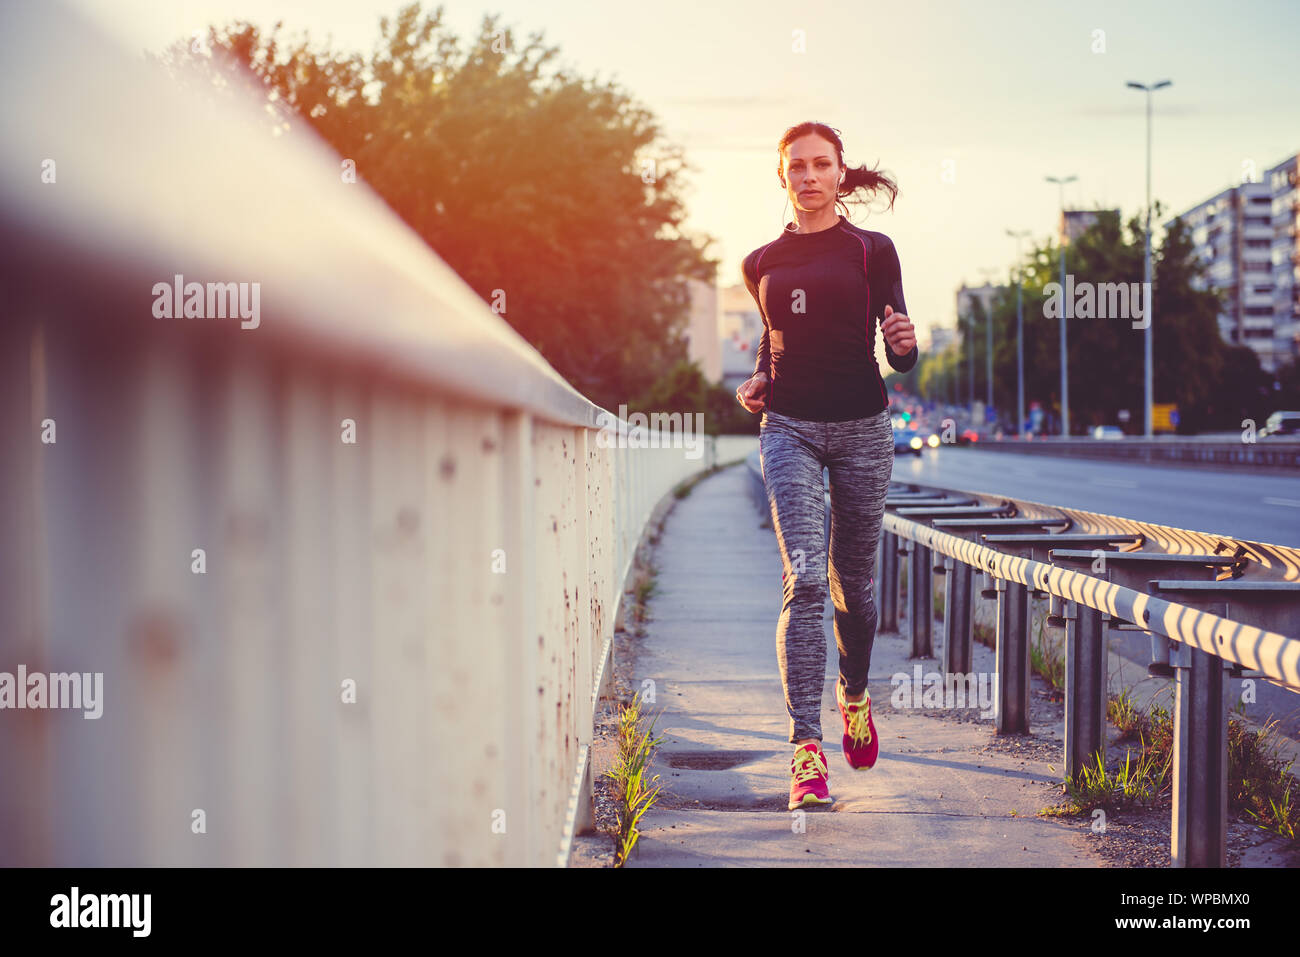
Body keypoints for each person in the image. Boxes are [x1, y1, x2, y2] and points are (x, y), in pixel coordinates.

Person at [734, 122, 918, 810]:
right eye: (797, 167)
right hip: (788, 428)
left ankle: (856, 693)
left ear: (842, 174)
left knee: (855, 587)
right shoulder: (759, 262)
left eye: (821, 165)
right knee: (805, 578)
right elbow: (771, 343)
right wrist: (756, 384)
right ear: (781, 176)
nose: (809, 176)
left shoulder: (873, 250)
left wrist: (905, 345)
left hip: (864, 427)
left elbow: (899, 348)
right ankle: (805, 751)